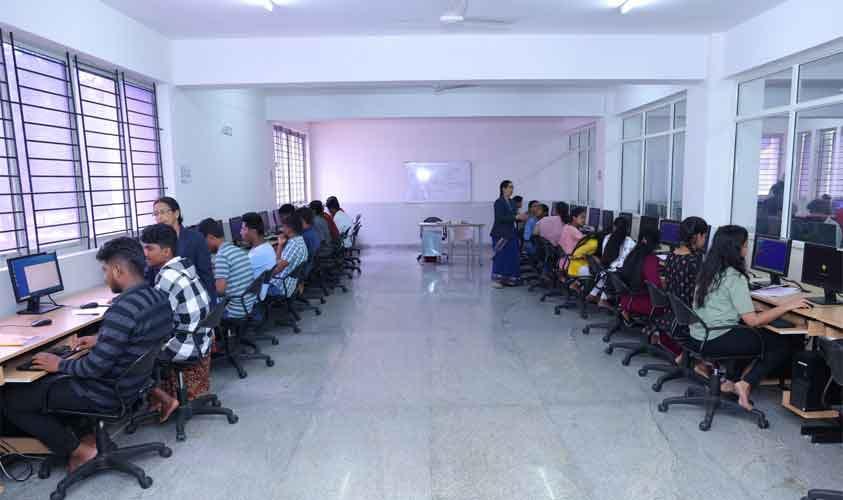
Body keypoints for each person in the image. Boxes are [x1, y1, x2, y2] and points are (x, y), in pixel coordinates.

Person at [4, 238, 173, 471]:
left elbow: (93, 368)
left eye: (105, 271)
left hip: (106, 391)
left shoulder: (122, 308)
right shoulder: (157, 297)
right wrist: (101, 340)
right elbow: (140, 337)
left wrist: (59, 364)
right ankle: (87, 436)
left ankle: (79, 450)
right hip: (133, 385)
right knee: (45, 382)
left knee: (11, 400)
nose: (105, 277)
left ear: (118, 270)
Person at [692, 225, 810, 411]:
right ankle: (745, 384)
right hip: (715, 338)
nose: (747, 249)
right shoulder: (734, 276)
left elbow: (722, 300)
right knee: (781, 343)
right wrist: (787, 306)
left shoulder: (709, 269)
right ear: (734, 249)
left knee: (751, 335)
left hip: (699, 334)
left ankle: (731, 381)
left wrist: (751, 306)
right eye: (745, 245)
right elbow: (753, 321)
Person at [141, 223, 212, 422]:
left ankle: (164, 400)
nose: (145, 253)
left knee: (129, 355)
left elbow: (156, 324)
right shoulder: (185, 266)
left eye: (149, 248)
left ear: (166, 252)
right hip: (202, 339)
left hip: (185, 346)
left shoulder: (166, 277)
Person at [645, 216, 708, 357]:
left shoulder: (672, 255)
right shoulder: (694, 260)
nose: (705, 241)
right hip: (690, 316)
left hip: (674, 311)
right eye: (705, 236)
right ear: (698, 236)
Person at [148, 197, 215, 302]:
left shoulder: (195, 238)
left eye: (163, 212)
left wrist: (210, 302)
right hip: (164, 297)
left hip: (192, 297)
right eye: (156, 214)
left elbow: (206, 274)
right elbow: (150, 274)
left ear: (176, 213)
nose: (159, 217)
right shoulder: (154, 241)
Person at [197, 218, 256, 319]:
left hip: (235, 310)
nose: (204, 246)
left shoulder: (222, 256)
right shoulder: (236, 250)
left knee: (202, 304)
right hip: (249, 303)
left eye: (204, 242)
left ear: (210, 237)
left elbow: (220, 291)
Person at [587, 216, 635, 305]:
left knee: (608, 271)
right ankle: (604, 300)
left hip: (605, 271)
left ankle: (593, 294)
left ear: (614, 227)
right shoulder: (630, 242)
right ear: (627, 229)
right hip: (616, 275)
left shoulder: (607, 237)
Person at [490, 180, 529, 288]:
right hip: (500, 234)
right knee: (500, 256)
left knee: (512, 256)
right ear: (503, 188)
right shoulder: (498, 202)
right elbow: (500, 218)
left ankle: (510, 279)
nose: (512, 190)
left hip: (511, 233)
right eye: (510, 187)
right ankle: (497, 280)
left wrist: (522, 217)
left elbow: (514, 216)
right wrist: (515, 217)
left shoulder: (512, 202)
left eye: (512, 187)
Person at [618, 226, 662, 317]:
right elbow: (655, 285)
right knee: (669, 304)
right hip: (638, 302)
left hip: (625, 299)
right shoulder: (650, 259)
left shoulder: (633, 253)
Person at [271, 212, 309, 297]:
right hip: (289, 282)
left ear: (290, 228)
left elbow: (276, 269)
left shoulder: (293, 245)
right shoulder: (299, 240)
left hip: (281, 286)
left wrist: (262, 278)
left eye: (283, 226)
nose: (281, 229)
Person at [241, 212, 276, 299]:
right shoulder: (267, 246)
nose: (240, 232)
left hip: (254, 296)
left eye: (243, 229)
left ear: (253, 232)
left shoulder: (255, 255)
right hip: (263, 288)